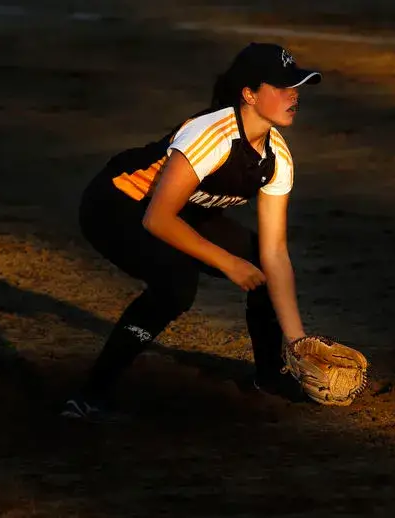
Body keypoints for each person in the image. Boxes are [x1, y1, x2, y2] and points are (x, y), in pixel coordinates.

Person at [63, 42, 322, 420]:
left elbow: (275, 251)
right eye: (281, 87)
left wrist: (298, 341)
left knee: (259, 262)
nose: (293, 95)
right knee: (176, 284)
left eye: (296, 86)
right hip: (116, 204)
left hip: (176, 209)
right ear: (249, 94)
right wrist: (227, 263)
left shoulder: (276, 158)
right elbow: (157, 219)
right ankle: (90, 395)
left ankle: (269, 376)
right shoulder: (212, 136)